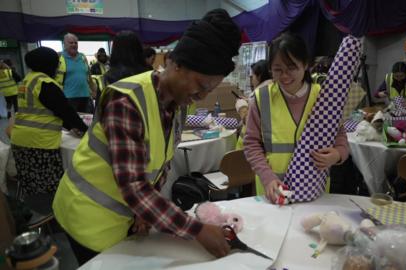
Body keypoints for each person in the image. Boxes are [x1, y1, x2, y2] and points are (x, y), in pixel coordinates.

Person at [52, 8, 241, 265]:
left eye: (210, 89)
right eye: (200, 85)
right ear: (175, 63)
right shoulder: (126, 100)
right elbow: (133, 187)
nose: (202, 96)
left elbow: (159, 164)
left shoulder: (178, 104)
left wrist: (145, 212)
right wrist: (196, 230)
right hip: (87, 217)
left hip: (122, 219)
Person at [243, 32, 349, 203]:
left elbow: (341, 138)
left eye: (292, 68)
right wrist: (267, 177)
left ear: (306, 64)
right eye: (278, 69)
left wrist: (337, 154)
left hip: (315, 190)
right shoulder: (261, 98)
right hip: (273, 191)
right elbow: (251, 143)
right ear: (270, 68)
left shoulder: (323, 97)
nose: (284, 76)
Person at [10, 47, 88, 199]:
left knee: (31, 183)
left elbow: (43, 110)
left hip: (20, 139)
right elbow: (65, 111)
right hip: (40, 143)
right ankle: (50, 217)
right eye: (57, 63)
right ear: (48, 64)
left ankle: (36, 213)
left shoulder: (27, 80)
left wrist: (71, 126)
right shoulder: (45, 83)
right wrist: (85, 130)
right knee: (49, 187)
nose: (58, 67)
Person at [93, 31, 150, 103]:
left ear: (114, 51)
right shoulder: (149, 76)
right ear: (139, 50)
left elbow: (99, 110)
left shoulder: (107, 79)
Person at [235, 59, 272, 150]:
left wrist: (242, 108)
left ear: (259, 76)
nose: (251, 80)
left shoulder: (262, 93)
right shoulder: (270, 90)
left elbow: (252, 122)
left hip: (251, 150)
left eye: (253, 76)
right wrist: (249, 101)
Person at [55, 33, 96, 113]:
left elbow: (89, 76)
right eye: (71, 43)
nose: (74, 45)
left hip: (86, 97)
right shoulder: (58, 57)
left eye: (76, 43)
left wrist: (94, 91)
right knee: (71, 124)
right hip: (67, 98)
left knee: (87, 123)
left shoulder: (83, 57)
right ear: (64, 44)